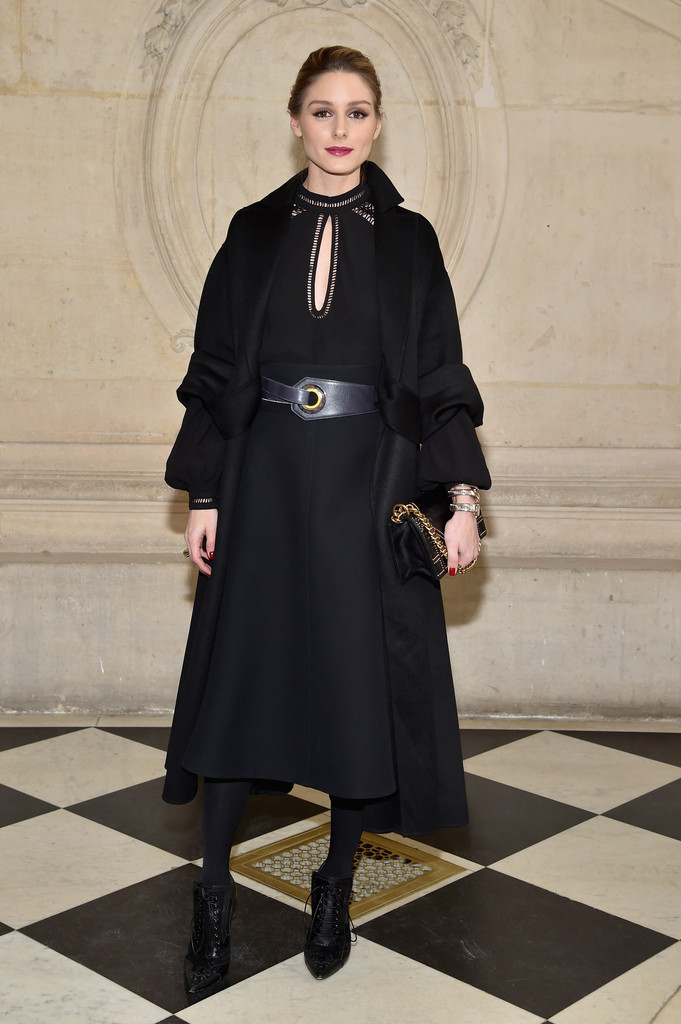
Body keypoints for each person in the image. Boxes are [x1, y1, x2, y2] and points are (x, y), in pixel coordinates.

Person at [163, 45, 491, 998]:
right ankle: (213, 893)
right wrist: (205, 495)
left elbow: (438, 372)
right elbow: (214, 367)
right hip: (260, 476)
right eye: (321, 110)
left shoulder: (410, 240)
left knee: (354, 692)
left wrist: (461, 501)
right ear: (295, 120)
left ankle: (334, 888)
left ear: (376, 124)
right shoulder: (252, 231)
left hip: (368, 480)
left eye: (355, 112)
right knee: (243, 685)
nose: (339, 129)